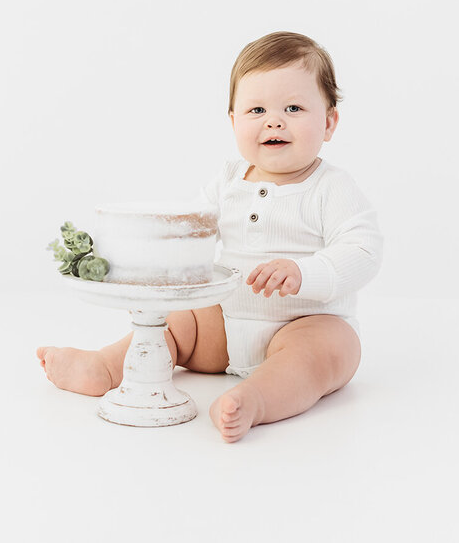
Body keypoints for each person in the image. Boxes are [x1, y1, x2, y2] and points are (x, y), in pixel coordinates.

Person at [37, 32, 382, 442]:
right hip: (224, 325)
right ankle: (108, 366)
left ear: (329, 122)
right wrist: (142, 241)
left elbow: (363, 249)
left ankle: (256, 399)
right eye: (257, 109)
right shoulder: (228, 179)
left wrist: (305, 273)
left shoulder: (331, 188)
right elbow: (191, 226)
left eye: (293, 107)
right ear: (234, 121)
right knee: (179, 323)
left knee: (322, 353)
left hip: (305, 321)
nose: (274, 120)